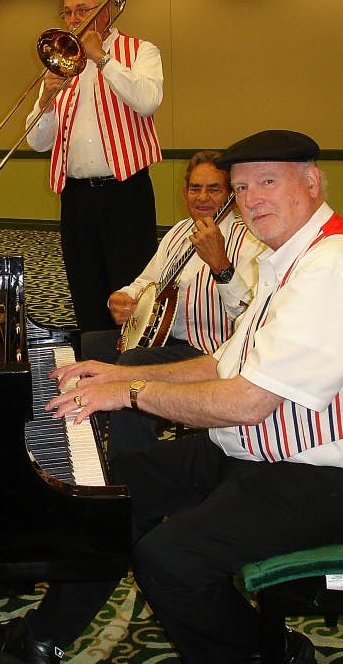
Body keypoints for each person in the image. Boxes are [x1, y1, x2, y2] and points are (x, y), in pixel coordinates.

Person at [0, 129, 343, 664]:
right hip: (263, 451)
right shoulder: (287, 259)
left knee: (170, 560)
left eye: (268, 182)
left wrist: (131, 392)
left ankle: (266, 652)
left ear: (312, 182)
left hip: (337, 477)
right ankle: (42, 639)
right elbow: (223, 360)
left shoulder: (335, 268)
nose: (252, 198)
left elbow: (249, 401)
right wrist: (114, 372)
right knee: (114, 493)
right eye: (243, 187)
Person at [81, 150, 265, 459]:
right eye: (195, 188)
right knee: (88, 345)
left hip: (212, 351)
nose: (202, 197)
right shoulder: (179, 232)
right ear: (185, 192)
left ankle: (132, 470)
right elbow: (146, 282)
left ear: (232, 195)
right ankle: (88, 439)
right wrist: (124, 297)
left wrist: (222, 266)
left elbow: (250, 316)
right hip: (166, 338)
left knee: (131, 366)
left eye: (214, 188)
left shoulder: (249, 241)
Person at [25, 0, 164, 332]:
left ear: (104, 12)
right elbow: (36, 141)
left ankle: (130, 364)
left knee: (130, 287)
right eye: (68, 12)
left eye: (82, 11)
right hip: (76, 195)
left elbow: (148, 101)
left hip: (125, 191)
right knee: (84, 285)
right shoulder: (60, 62)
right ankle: (93, 362)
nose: (73, 19)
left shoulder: (140, 50)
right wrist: (46, 101)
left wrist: (102, 58)